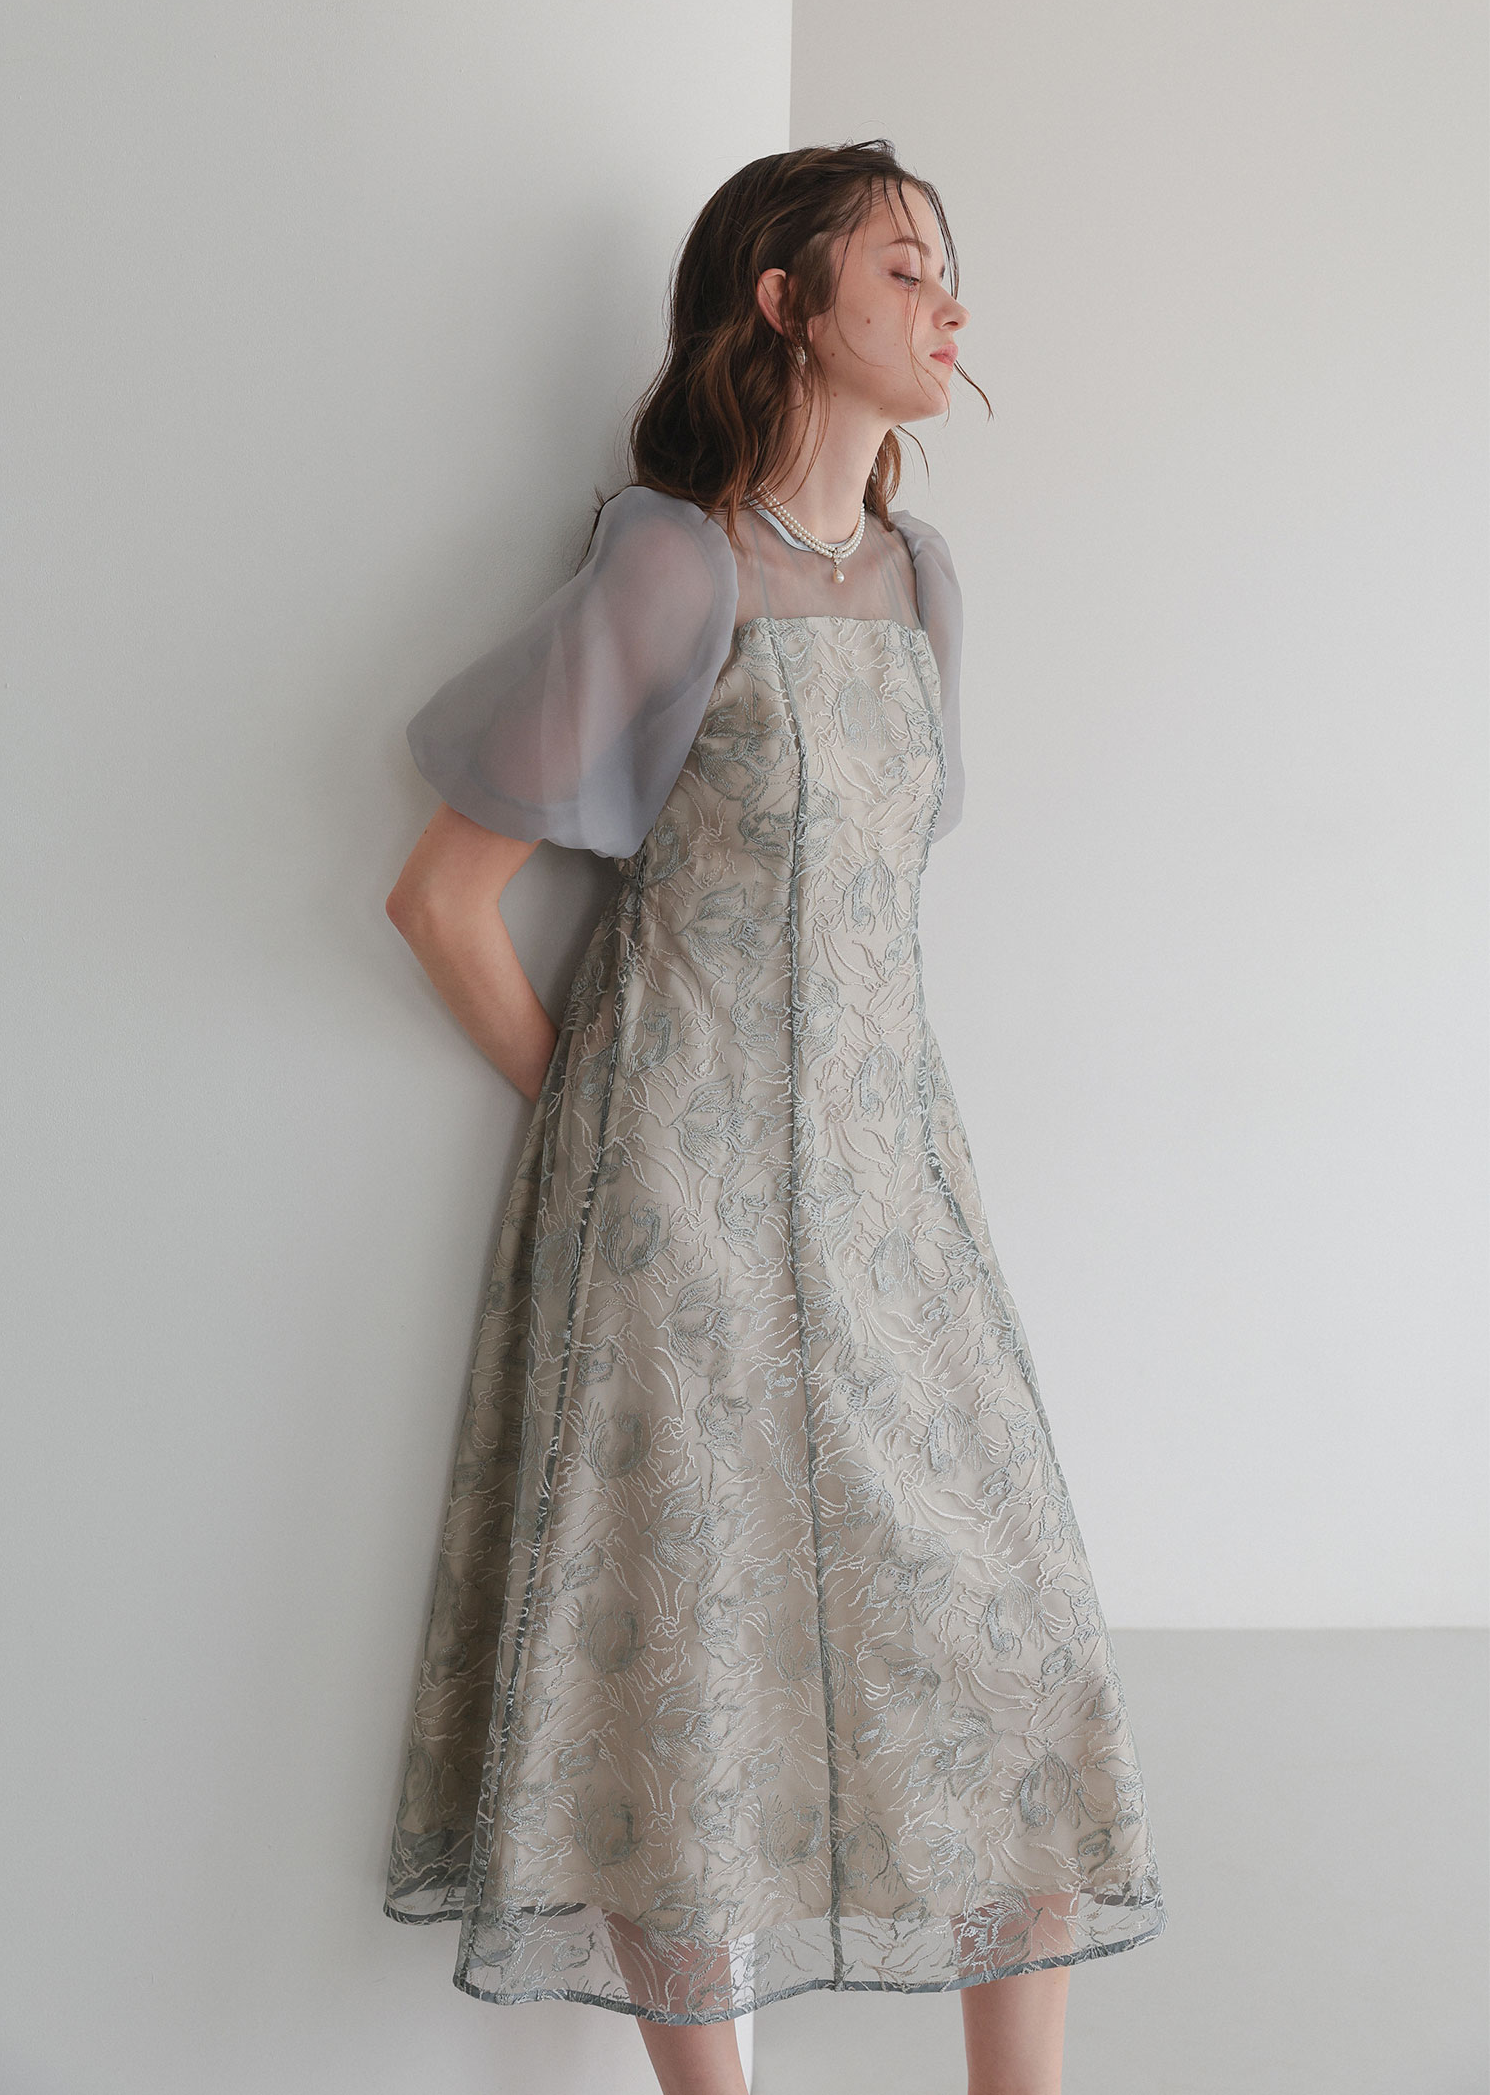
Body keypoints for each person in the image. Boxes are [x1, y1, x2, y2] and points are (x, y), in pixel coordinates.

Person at [382, 139, 1166, 2095]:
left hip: (899, 1204)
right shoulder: (674, 560)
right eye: (902, 265)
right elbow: (444, 900)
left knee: (1015, 1655)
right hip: (686, 1221)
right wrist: (618, 1135)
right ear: (783, 302)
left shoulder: (923, 582)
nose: (947, 302)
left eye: (947, 268)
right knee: (694, 1679)